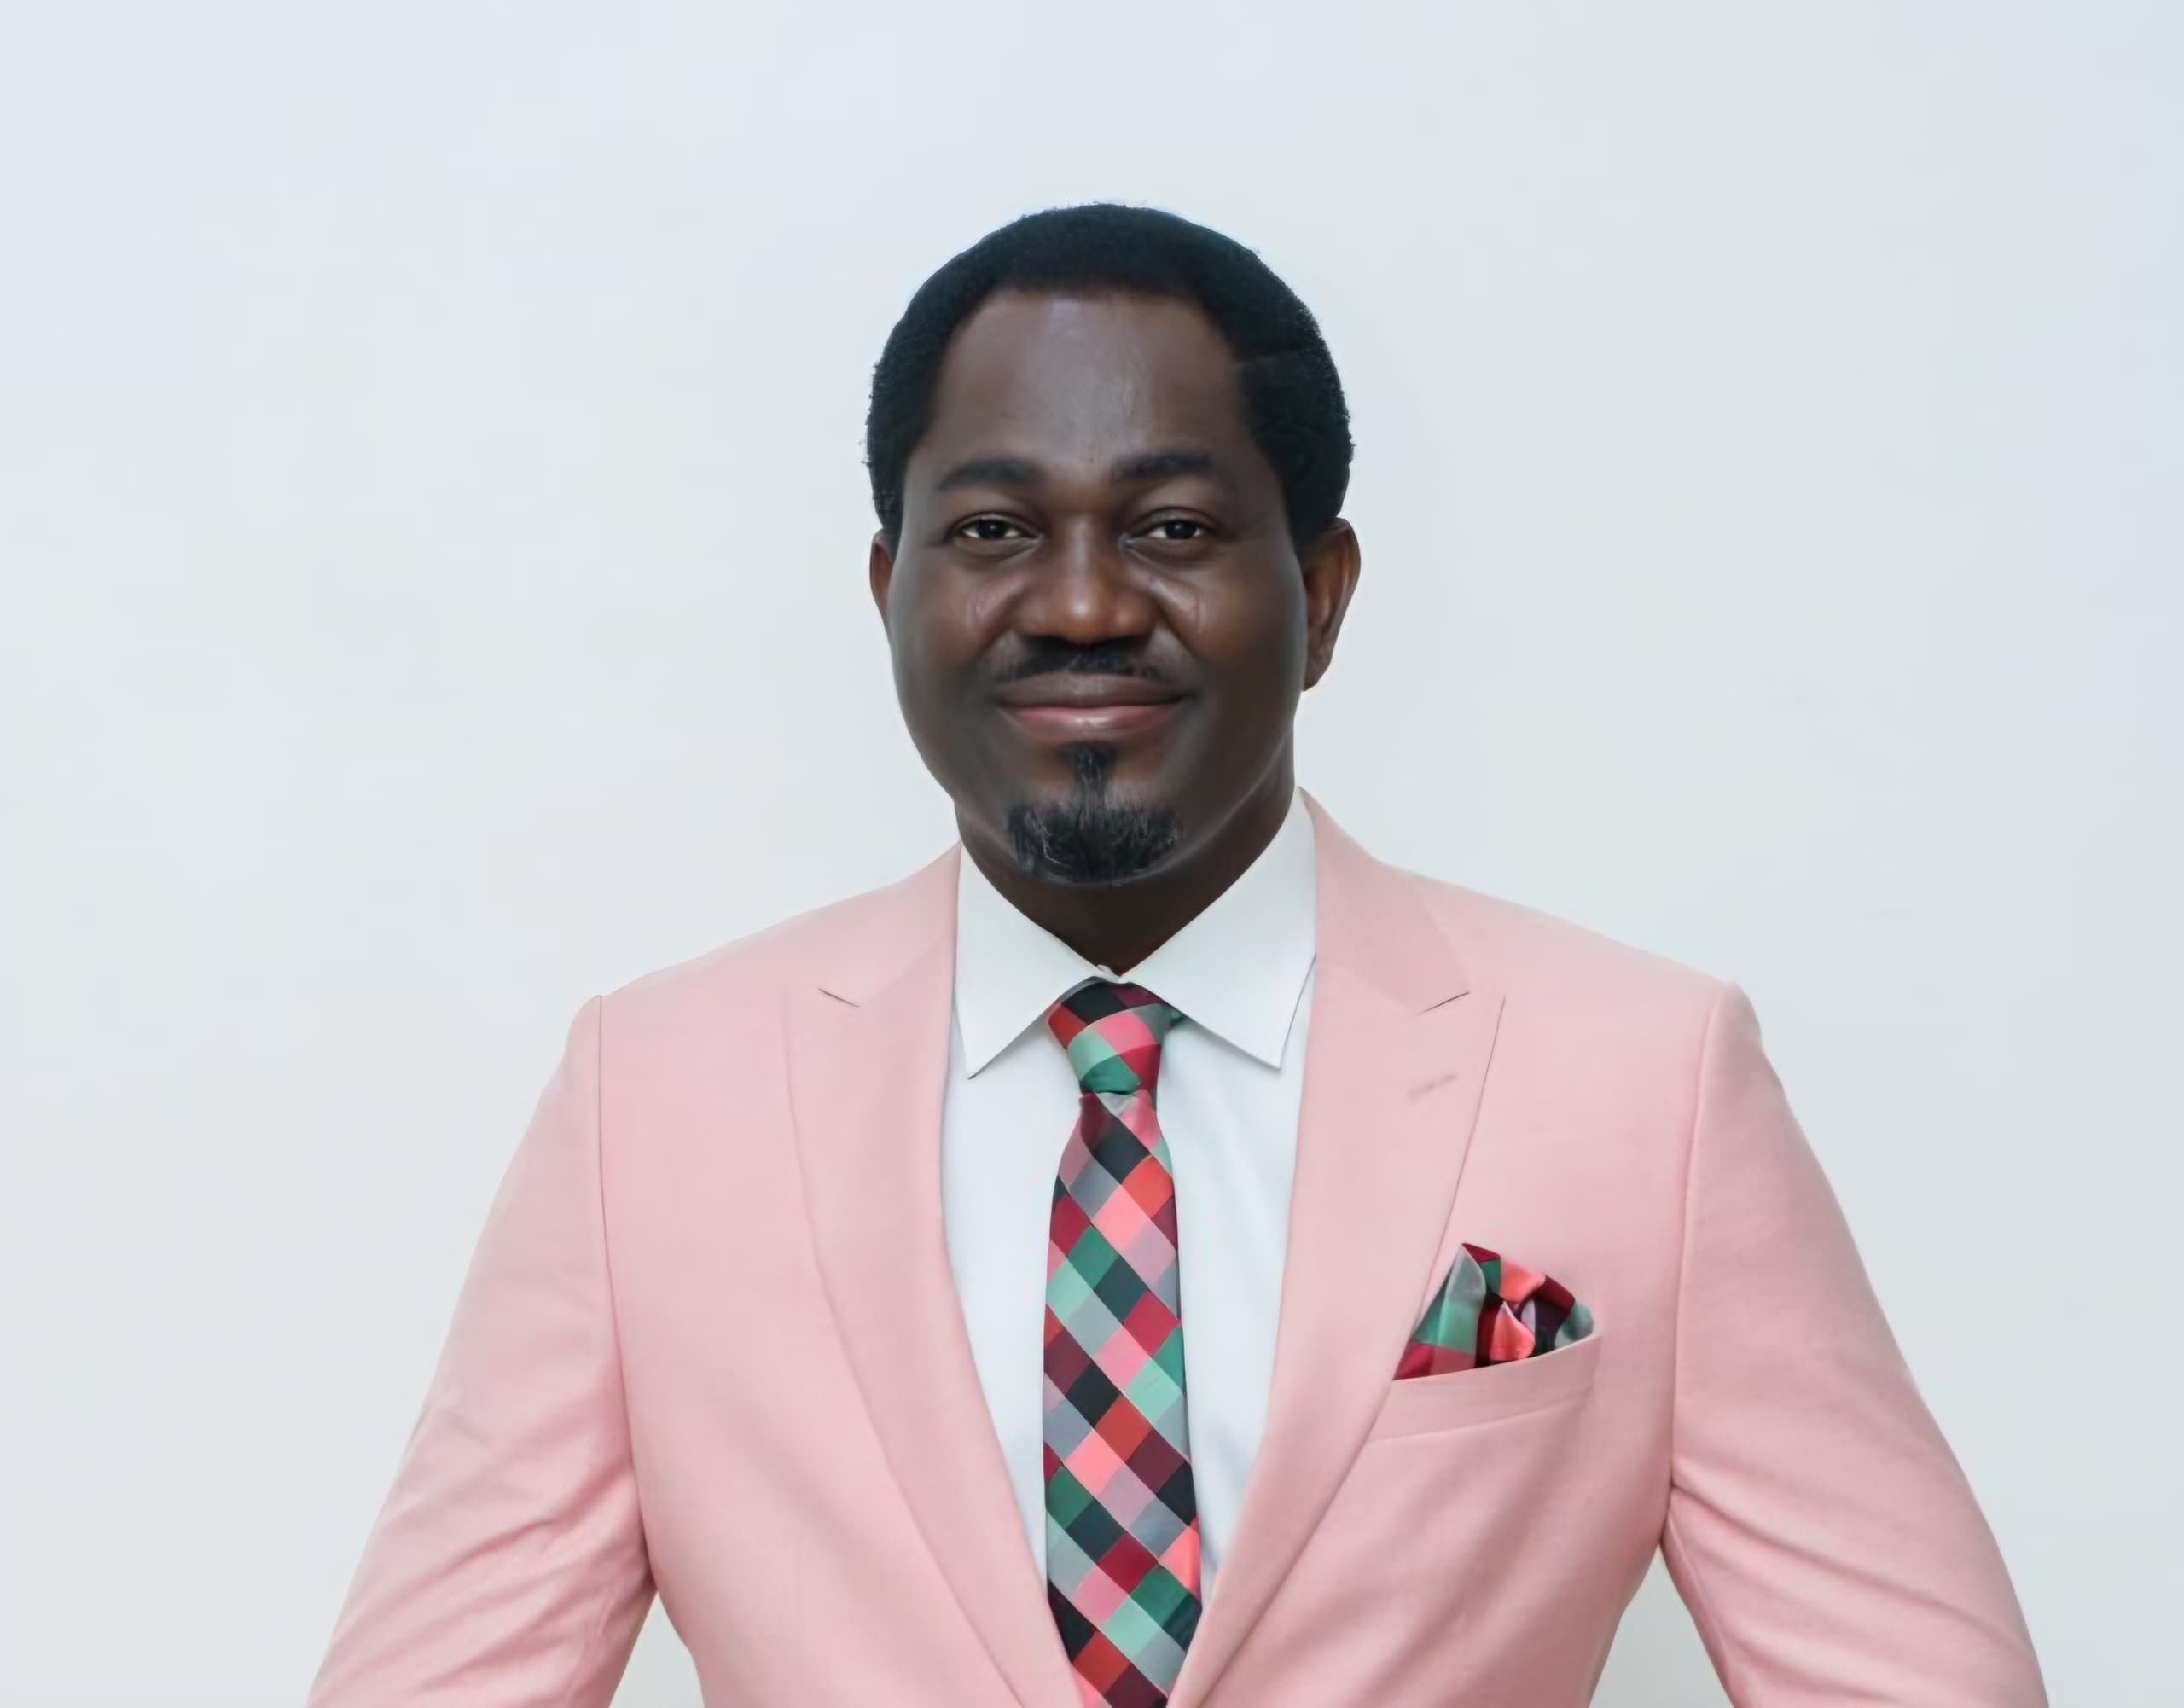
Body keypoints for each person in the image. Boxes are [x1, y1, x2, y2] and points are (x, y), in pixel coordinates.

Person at [305, 202, 2045, 1708]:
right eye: (993, 530)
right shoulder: (651, 1103)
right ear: (888, 587)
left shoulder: (1648, 1082)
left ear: (1323, 592)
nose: (1079, 603)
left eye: (1173, 528)